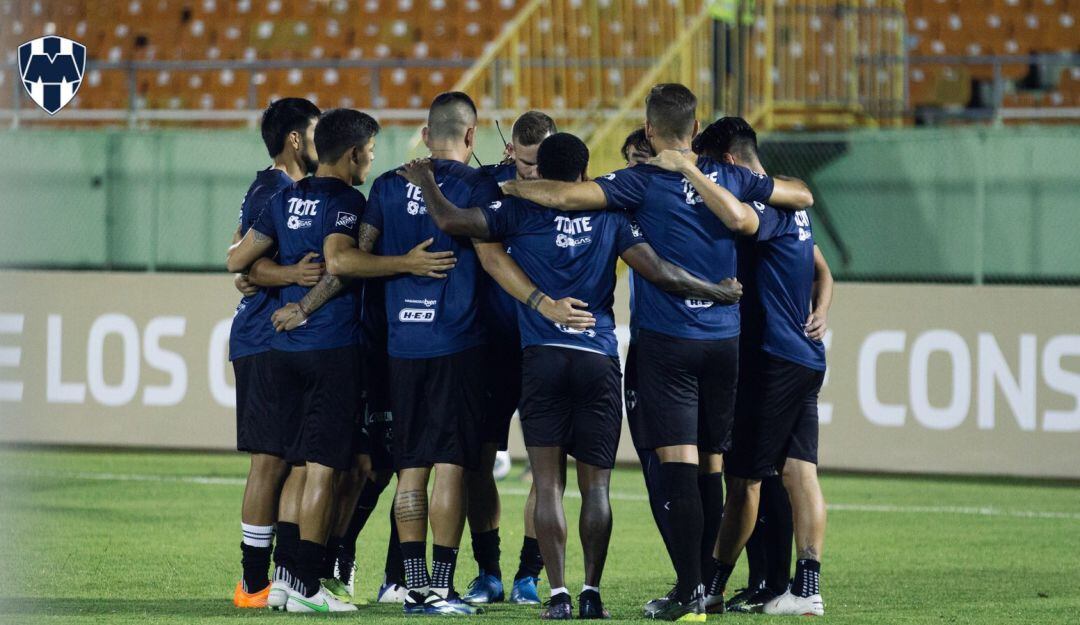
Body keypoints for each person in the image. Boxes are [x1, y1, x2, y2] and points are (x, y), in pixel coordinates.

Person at [397, 131, 745, 620]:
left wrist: (427, 183)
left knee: (547, 485)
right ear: (584, 174)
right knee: (596, 489)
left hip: (542, 358)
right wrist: (716, 291)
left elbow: (452, 220)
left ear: (539, 171)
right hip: (596, 359)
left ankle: (558, 594)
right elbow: (661, 272)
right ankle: (590, 593)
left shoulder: (519, 212)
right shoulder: (611, 215)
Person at [501, 83, 814, 622]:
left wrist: (511, 184)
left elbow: (565, 197)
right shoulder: (732, 177)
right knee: (712, 464)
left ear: (649, 130)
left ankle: (690, 592)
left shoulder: (638, 181)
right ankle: (709, 588)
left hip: (670, 342)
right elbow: (801, 194)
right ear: (696, 128)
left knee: (678, 464)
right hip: (725, 340)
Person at [226, 108, 382, 613]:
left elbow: (238, 259)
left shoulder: (284, 197)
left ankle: (285, 582)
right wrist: (402, 262)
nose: (371, 160)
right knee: (321, 469)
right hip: (328, 347)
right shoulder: (348, 201)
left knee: (294, 465)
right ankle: (306, 587)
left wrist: (274, 275)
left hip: (283, 350)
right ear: (353, 154)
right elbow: (340, 262)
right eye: (370, 152)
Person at [690, 117, 832, 617]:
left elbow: (738, 221)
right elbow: (823, 269)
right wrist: (822, 308)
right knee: (800, 472)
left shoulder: (765, 206)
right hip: (806, 358)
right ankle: (806, 588)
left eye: (714, 166)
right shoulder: (794, 205)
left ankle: (712, 587)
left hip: (773, 359)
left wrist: (690, 173)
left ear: (729, 162)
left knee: (744, 481)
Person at [228, 97, 322, 609]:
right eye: (315, 131)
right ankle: (252, 583)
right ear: (295, 138)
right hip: (263, 337)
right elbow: (243, 262)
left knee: (292, 459)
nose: (321, 140)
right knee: (270, 461)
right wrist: (292, 274)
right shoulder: (276, 189)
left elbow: (236, 249)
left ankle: (281, 577)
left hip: (278, 338)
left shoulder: (274, 187)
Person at [464, 110, 558, 607]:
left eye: (541, 163)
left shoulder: (574, 189)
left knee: (548, 467)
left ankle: (528, 575)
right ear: (508, 152)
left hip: (546, 345)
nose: (533, 172)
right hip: (492, 343)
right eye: (524, 164)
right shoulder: (487, 187)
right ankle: (488, 572)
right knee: (478, 462)